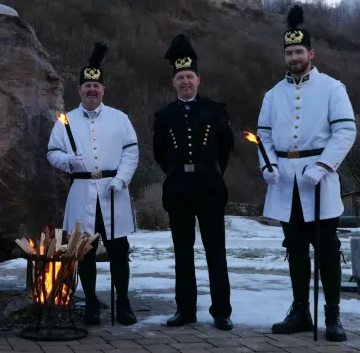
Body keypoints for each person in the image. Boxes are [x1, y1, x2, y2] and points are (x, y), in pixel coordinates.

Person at [257, 6, 356, 342]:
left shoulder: (332, 88)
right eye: (289, 52)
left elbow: (345, 132)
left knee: (327, 249)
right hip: (286, 181)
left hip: (320, 180)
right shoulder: (272, 94)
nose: (294, 56)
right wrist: (268, 165)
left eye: (300, 51)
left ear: (311, 53)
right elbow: (263, 136)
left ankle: (333, 315)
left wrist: (324, 166)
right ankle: (300, 311)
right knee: (295, 248)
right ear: (284, 56)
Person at [47, 42, 139, 326]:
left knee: (118, 250)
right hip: (82, 191)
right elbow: (52, 153)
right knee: (83, 251)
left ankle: (122, 303)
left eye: (96, 86)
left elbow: (132, 151)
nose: (91, 90)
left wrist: (121, 179)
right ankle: (90, 305)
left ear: (103, 90)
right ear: (79, 90)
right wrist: (68, 162)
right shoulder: (65, 121)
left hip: (113, 192)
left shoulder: (120, 118)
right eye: (86, 85)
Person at [152, 35, 234, 331]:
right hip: (178, 190)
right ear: (173, 83)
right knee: (182, 253)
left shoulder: (216, 110)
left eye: (189, 77)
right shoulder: (163, 116)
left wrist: (210, 172)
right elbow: (160, 153)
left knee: (216, 251)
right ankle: (184, 310)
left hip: (210, 187)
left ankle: (221, 311)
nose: (185, 82)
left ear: (198, 80)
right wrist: (179, 172)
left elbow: (226, 148)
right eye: (180, 78)